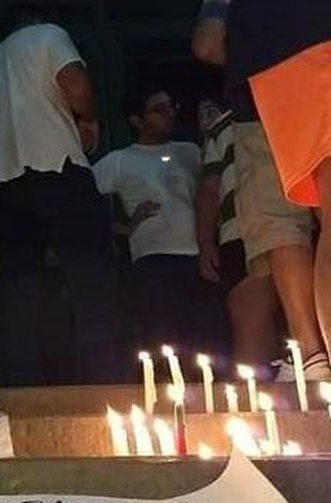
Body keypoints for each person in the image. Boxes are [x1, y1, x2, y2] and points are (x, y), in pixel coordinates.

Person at [0, 12, 124, 386]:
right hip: (59, 168)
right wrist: (89, 118)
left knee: (17, 290)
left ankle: (19, 387)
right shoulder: (47, 35)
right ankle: (104, 382)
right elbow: (76, 86)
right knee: (91, 281)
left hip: (6, 184)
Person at [193, 0, 331, 379]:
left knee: (279, 227)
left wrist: (256, 52)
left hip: (259, 92)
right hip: (316, 63)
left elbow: (207, 44)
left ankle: (310, 354)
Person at [93, 85, 211, 351]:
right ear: (137, 120)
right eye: (159, 110)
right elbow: (80, 198)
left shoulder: (189, 151)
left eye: (171, 107)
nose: (169, 114)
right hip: (154, 259)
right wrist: (124, 227)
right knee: (164, 340)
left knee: (203, 341)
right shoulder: (120, 160)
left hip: (198, 256)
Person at [196, 97, 282, 373]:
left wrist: (206, 242)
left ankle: (259, 398)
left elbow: (210, 189)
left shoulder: (223, 129)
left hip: (244, 227)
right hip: (284, 221)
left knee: (251, 317)